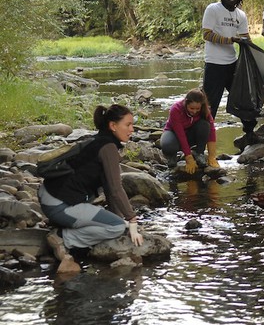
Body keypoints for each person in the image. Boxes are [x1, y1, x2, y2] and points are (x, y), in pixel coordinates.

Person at [38, 104, 144, 273]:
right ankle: (63, 237)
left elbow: (110, 189)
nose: (132, 129)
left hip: (49, 195)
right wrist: (131, 220)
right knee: (115, 228)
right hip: (59, 205)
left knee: (116, 222)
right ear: (113, 126)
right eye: (128, 125)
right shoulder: (109, 148)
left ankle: (63, 226)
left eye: (133, 124)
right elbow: (116, 189)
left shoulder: (99, 140)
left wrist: (118, 216)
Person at [201, 0, 254, 137]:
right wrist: (230, 40)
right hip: (214, 64)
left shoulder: (241, 15)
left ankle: (250, 132)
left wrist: (255, 53)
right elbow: (207, 34)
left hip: (233, 64)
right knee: (209, 105)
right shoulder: (213, 9)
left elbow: (245, 38)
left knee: (244, 99)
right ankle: (202, 142)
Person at [161, 88, 219, 173]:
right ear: (186, 103)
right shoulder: (176, 109)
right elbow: (180, 134)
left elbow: (212, 131)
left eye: (197, 109)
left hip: (190, 133)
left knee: (205, 125)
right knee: (168, 145)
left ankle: (199, 153)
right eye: (191, 108)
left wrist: (212, 156)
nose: (195, 111)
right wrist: (189, 158)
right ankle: (172, 157)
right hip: (174, 134)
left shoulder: (205, 110)